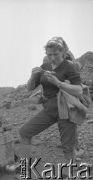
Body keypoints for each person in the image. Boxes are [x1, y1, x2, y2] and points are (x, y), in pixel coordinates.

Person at [19, 37, 83, 179]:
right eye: (49, 55)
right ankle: (25, 171)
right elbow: (30, 88)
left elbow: (79, 90)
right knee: (24, 132)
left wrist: (58, 83)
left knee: (68, 146)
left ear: (63, 52)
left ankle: (67, 174)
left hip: (65, 108)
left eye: (55, 54)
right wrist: (32, 75)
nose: (52, 58)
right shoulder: (45, 66)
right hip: (48, 108)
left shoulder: (69, 66)